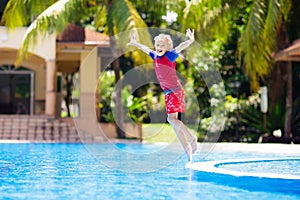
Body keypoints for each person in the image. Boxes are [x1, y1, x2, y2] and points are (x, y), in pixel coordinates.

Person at [127, 29, 198, 163]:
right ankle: (188, 153)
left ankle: (192, 138)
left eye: (163, 45)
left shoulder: (170, 56)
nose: (159, 47)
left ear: (168, 47)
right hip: (168, 93)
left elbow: (180, 47)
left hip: (175, 91)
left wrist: (190, 41)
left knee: (171, 120)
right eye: (158, 45)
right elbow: (145, 48)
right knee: (174, 123)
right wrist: (135, 43)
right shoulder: (155, 56)